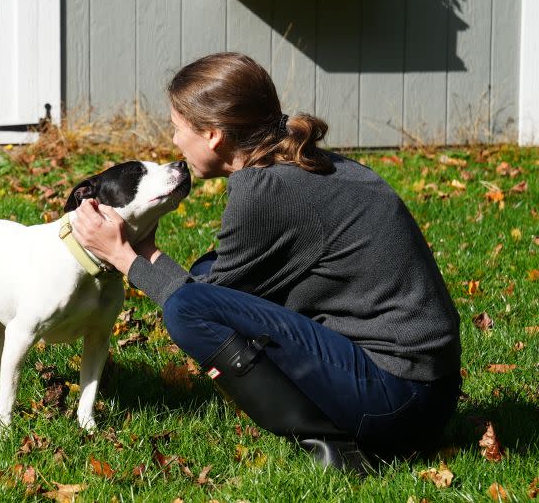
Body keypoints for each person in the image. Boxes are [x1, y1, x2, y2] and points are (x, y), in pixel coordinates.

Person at [70, 52, 462, 473]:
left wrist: (122, 256)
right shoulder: (301, 162)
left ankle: (332, 445)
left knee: (187, 310)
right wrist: (143, 251)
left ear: (214, 136)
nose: (175, 142)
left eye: (177, 129)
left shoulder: (264, 190)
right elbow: (217, 287)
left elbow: (197, 304)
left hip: (397, 403)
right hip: (425, 393)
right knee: (204, 276)